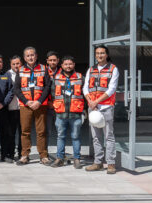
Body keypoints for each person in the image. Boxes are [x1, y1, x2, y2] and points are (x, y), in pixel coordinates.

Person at [13, 46, 52, 165]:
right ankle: (24, 155)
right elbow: (16, 88)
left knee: (41, 131)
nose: (30, 57)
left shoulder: (44, 69)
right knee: (25, 131)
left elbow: (47, 86)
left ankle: (43, 156)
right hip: (26, 105)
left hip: (40, 105)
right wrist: (27, 101)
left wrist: (39, 101)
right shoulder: (21, 70)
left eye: (32, 55)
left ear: (36, 56)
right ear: (24, 58)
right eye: (28, 55)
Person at [84, 45, 119, 174]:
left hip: (106, 107)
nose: (99, 55)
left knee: (109, 136)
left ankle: (110, 163)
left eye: (102, 53)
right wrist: (90, 101)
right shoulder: (91, 70)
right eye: (97, 53)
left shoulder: (113, 69)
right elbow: (85, 88)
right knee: (96, 137)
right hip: (93, 108)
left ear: (107, 55)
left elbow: (111, 89)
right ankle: (97, 162)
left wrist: (96, 102)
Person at [51, 55, 85, 169]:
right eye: (66, 64)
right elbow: (52, 94)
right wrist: (56, 106)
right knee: (60, 136)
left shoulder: (80, 77)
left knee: (76, 137)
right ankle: (59, 158)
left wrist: (84, 109)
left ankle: (77, 159)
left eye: (70, 64)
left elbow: (85, 94)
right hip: (61, 113)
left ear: (74, 65)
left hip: (76, 114)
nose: (68, 66)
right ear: (62, 65)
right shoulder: (56, 78)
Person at [0, 55, 16, 163]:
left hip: (3, 108)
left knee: (5, 133)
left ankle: (4, 155)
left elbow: (11, 91)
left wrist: (2, 104)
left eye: (0, 62)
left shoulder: (6, 75)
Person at [7, 55, 23, 160]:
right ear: (10, 64)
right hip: (11, 108)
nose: (16, 66)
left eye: (18, 63)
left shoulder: (25, 73)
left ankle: (22, 154)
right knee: (11, 133)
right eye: (14, 64)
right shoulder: (7, 75)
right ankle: (11, 154)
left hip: (23, 108)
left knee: (23, 133)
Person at [44, 51, 61, 152]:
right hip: (47, 106)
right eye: (50, 60)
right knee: (46, 131)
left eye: (54, 60)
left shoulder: (63, 71)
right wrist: (48, 102)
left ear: (58, 61)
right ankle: (44, 154)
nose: (53, 62)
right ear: (47, 61)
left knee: (61, 131)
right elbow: (40, 89)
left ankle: (60, 154)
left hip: (60, 106)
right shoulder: (43, 72)